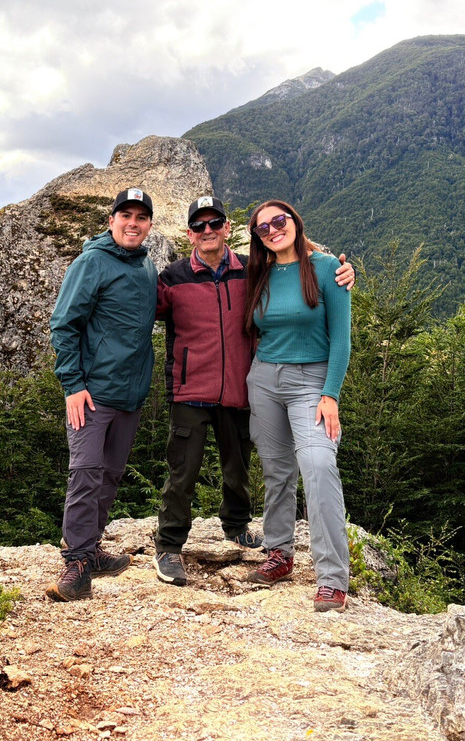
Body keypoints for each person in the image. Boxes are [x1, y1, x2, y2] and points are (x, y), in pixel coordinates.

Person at [153, 196, 354, 586]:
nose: (208, 231)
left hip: (259, 386)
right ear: (191, 233)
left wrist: (345, 273)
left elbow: (313, 286)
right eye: (200, 225)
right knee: (196, 472)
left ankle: (256, 537)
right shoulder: (177, 276)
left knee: (268, 467)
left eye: (216, 224)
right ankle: (177, 546)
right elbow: (137, 309)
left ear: (228, 229)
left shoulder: (253, 270)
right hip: (207, 387)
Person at [46, 187, 158, 602]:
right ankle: (76, 562)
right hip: (92, 395)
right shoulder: (92, 261)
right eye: (125, 215)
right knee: (86, 472)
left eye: (141, 217)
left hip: (129, 394)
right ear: (111, 221)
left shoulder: (146, 265)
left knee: (109, 475)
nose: (133, 223)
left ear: (148, 225)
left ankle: (91, 549)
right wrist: (72, 385)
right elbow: (64, 325)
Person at [242, 199, 352, 613]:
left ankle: (332, 578)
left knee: (319, 465)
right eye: (263, 228)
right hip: (265, 379)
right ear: (257, 238)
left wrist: (331, 394)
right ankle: (280, 553)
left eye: (279, 220)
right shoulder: (260, 272)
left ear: (294, 220)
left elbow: (341, 338)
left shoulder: (326, 269)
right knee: (277, 470)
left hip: (312, 382)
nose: (272, 230)